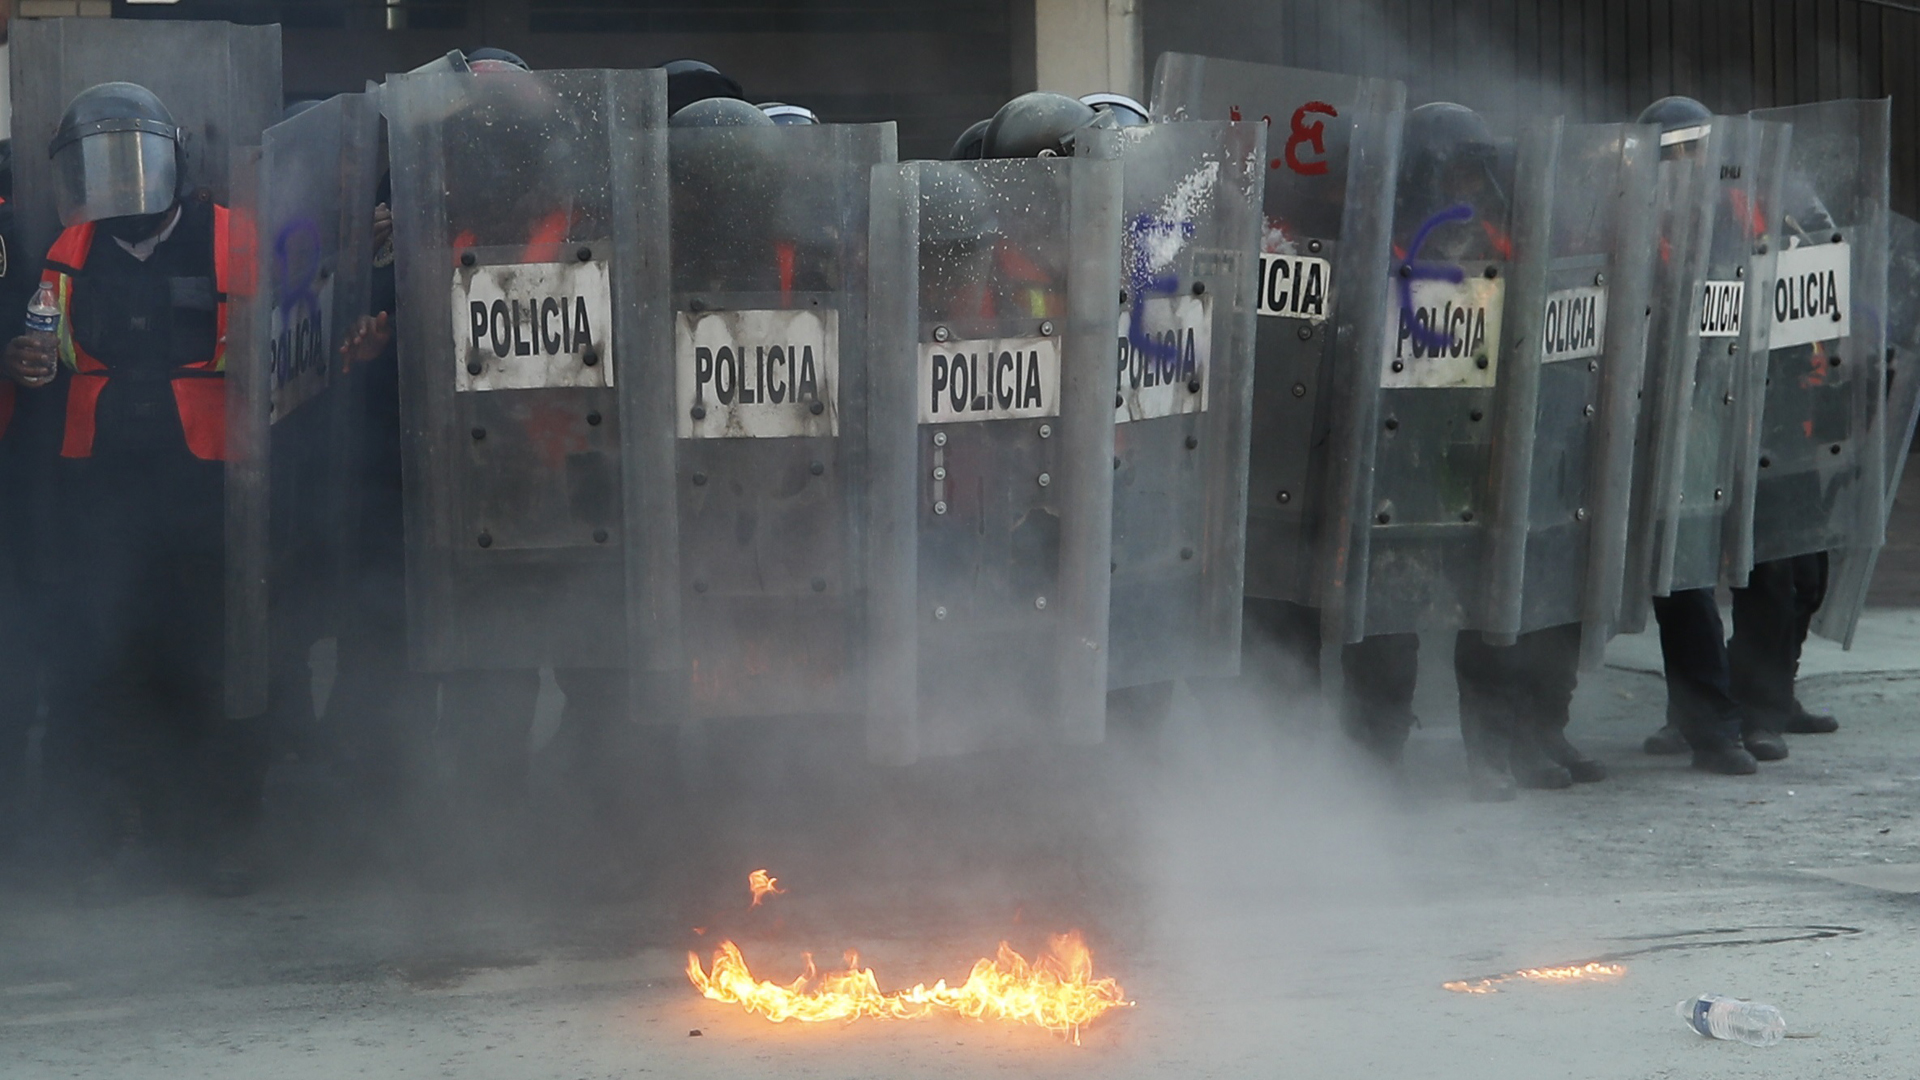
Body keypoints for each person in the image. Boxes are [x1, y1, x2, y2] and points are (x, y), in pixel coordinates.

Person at [0, 82, 267, 894]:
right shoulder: (69, 248)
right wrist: (26, 363)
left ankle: (213, 838)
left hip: (210, 484)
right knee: (106, 656)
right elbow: (44, 349)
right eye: (100, 165)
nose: (122, 183)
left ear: (173, 160)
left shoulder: (238, 238)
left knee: (207, 658)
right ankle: (105, 833)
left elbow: (288, 342)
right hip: (100, 486)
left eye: (134, 161)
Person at [1630, 96, 1775, 775]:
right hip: (1620, 425)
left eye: (1697, 152)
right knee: (1561, 589)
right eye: (1675, 154)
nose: (1688, 166)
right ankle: (1531, 729)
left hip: (1697, 421)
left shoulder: (1735, 222)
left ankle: (1711, 728)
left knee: (1686, 578)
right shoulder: (1620, 221)